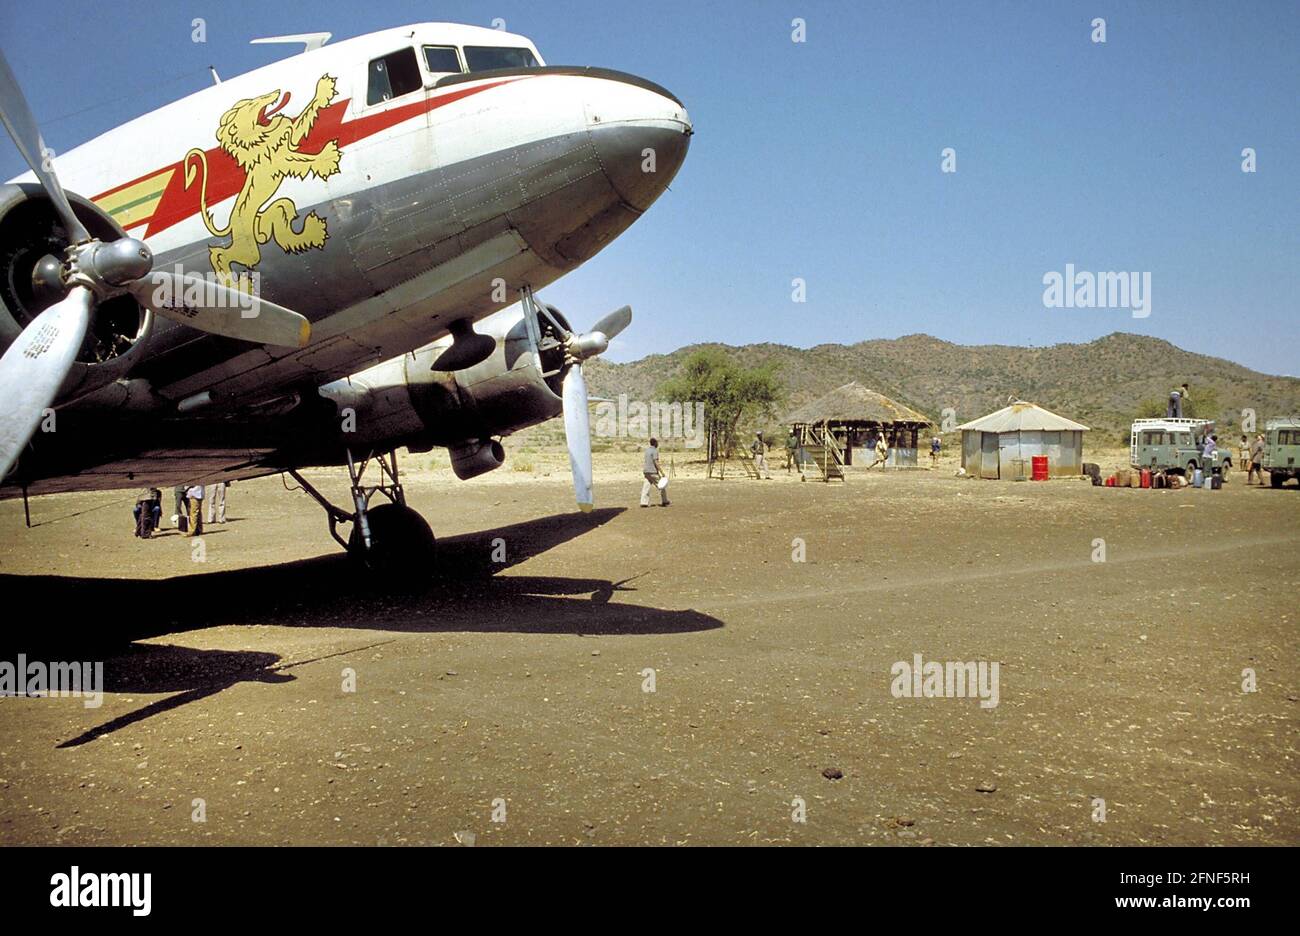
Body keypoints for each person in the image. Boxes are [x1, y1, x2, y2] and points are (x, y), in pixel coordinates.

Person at [640, 438, 669, 507]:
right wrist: (662, 472)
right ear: (655, 443)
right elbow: (656, 462)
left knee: (646, 487)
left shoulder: (647, 450)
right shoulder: (655, 451)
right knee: (661, 486)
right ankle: (665, 501)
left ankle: (643, 502)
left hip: (646, 471)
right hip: (653, 471)